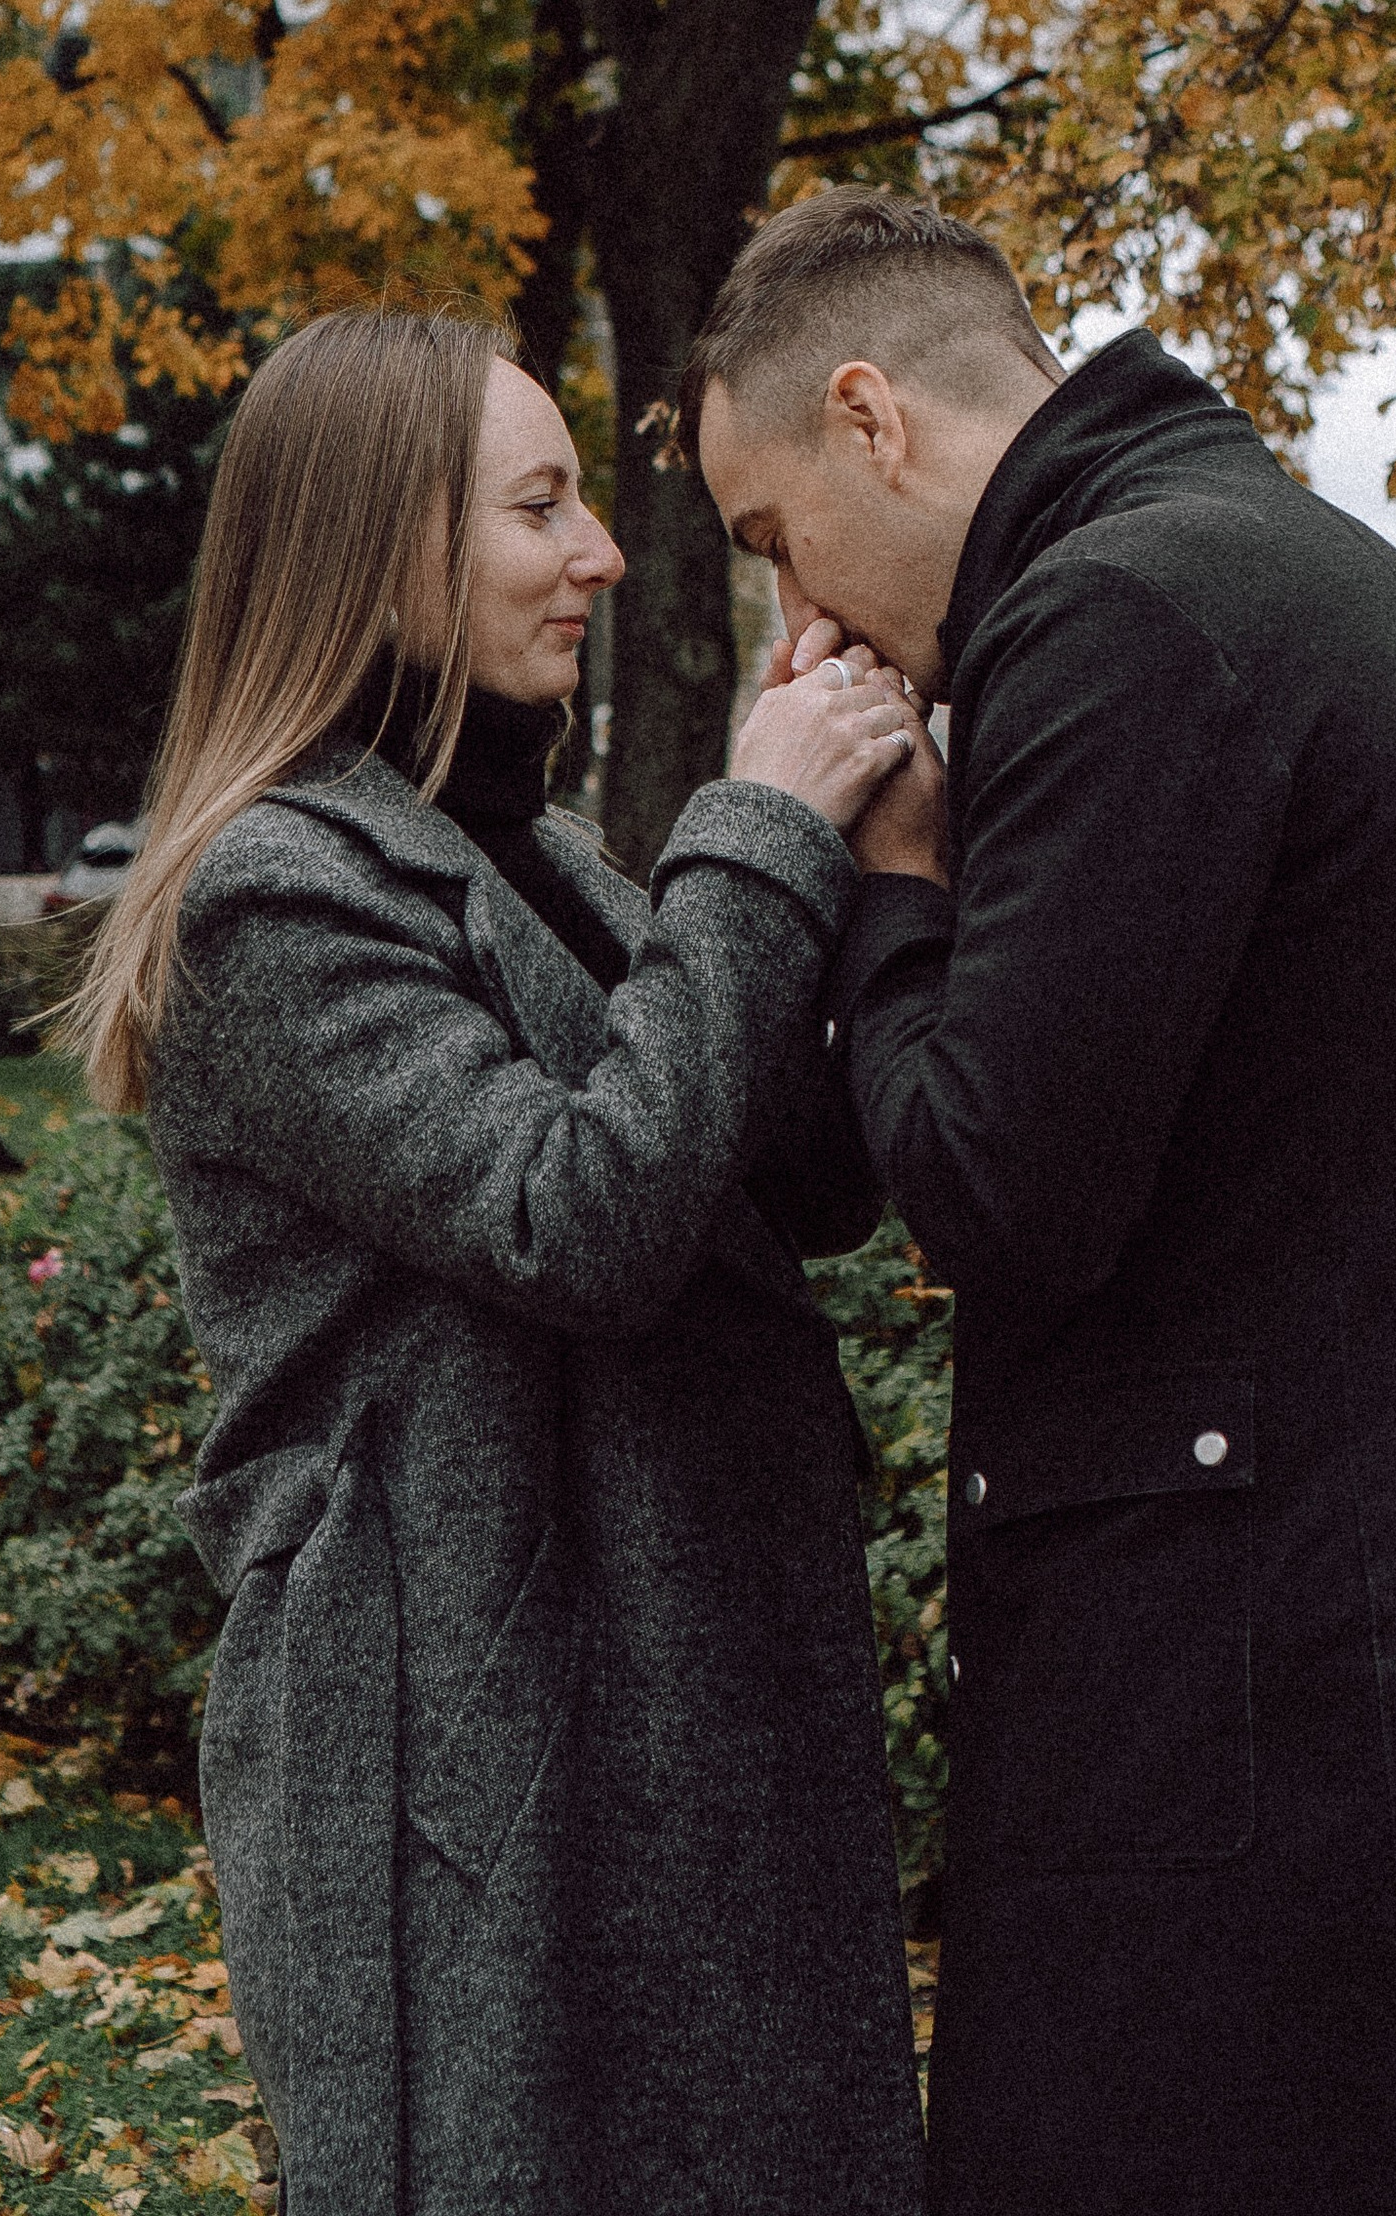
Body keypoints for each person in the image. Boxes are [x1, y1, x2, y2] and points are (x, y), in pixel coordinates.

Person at [683, 190, 1396, 2216]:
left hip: (1241, 1738)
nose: (787, 614)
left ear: (872, 421)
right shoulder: (1304, 566)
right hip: (1361, 1682)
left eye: (767, 534)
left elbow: (990, 1187)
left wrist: (892, 872)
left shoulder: (1116, 617)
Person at [71, 307, 928, 2216]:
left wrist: (867, 862)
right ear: (387, 552)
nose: (604, 552)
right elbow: (579, 1214)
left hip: (653, 1685)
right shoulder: (281, 890)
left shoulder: (532, 850)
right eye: (540, 506)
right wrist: (761, 831)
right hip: (468, 1750)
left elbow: (791, 1181)